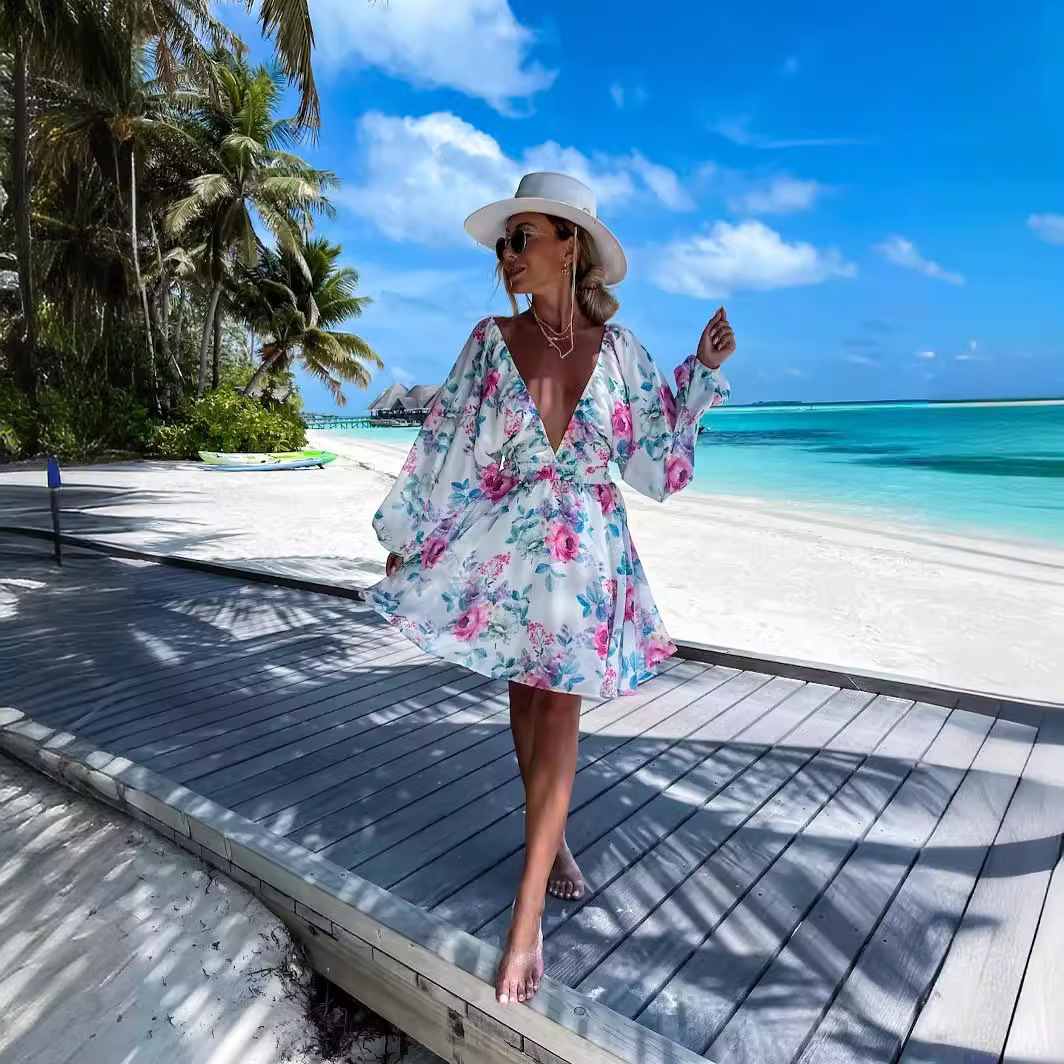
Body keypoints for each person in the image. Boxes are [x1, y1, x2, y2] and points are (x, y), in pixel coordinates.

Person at [368, 172, 736, 1006]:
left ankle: (525, 918)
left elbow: (655, 462)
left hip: (588, 559)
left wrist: (702, 375)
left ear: (571, 246)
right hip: (508, 551)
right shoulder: (490, 340)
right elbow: (447, 447)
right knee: (527, 701)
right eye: (504, 243)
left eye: (522, 237)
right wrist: (407, 537)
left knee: (560, 707)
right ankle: (555, 841)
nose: (507, 255)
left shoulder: (623, 351)